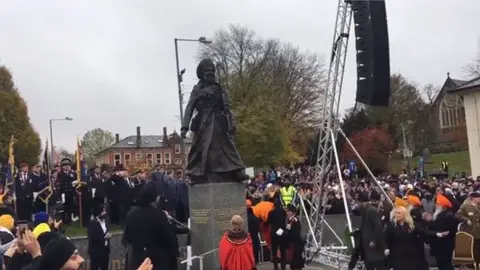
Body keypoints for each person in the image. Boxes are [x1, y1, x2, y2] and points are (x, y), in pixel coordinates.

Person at [123, 181, 178, 270]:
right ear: (155, 198)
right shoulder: (159, 215)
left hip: (138, 259)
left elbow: (127, 237)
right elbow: (169, 238)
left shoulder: (131, 214)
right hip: (156, 261)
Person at [385, 206, 448, 270]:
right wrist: (386, 248)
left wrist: (437, 234)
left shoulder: (411, 224)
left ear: (404, 214)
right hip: (397, 254)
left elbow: (424, 232)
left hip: (410, 254)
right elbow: (385, 238)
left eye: (399, 213)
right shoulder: (391, 225)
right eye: (396, 213)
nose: (397, 215)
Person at [358, 192, 386, 270]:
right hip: (367, 243)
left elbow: (378, 226)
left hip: (372, 243)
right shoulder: (365, 210)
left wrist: (374, 240)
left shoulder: (372, 210)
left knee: (376, 263)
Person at [455, 191, 480, 267]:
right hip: (470, 232)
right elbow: (458, 215)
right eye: (478, 197)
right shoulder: (465, 206)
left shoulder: (479, 206)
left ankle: (478, 264)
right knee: (471, 249)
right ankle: (470, 265)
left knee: (478, 250)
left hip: (478, 232)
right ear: (474, 198)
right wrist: (466, 219)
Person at [88, 204, 111, 270]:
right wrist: (104, 238)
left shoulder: (106, 221)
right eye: (103, 211)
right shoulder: (93, 223)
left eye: (105, 211)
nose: (105, 213)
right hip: (96, 251)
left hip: (105, 250)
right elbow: (91, 237)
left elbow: (107, 231)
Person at [267, 199, 287, 270]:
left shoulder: (271, 213)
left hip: (274, 233)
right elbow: (285, 221)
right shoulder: (283, 212)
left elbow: (267, 222)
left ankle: (276, 266)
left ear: (274, 205)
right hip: (282, 232)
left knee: (274, 250)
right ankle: (283, 266)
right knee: (283, 250)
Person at [284, 204, 304, 270]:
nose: (286, 212)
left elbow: (294, 233)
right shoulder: (290, 220)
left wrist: (285, 234)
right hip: (293, 243)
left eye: (288, 211)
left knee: (296, 264)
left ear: (292, 212)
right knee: (293, 263)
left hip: (296, 244)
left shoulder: (294, 220)